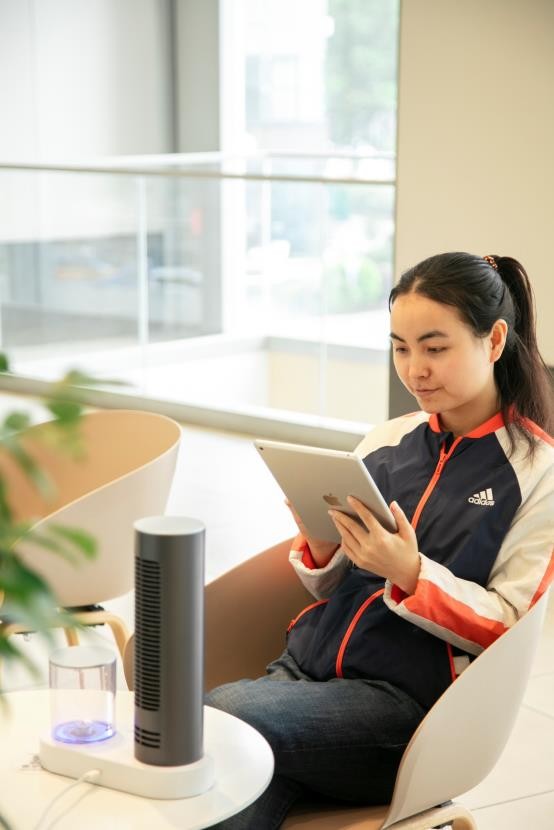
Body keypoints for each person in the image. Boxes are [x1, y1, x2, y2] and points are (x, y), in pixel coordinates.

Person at [207, 252, 554, 829]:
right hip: (304, 675)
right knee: (217, 795)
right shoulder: (389, 440)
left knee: (220, 717)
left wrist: (411, 574)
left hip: (405, 713)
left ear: (494, 340)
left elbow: (508, 624)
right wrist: (320, 544)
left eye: (435, 347)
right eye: (400, 347)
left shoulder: (537, 472)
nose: (414, 368)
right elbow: (330, 585)